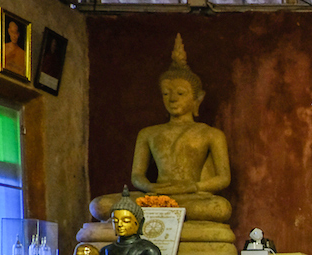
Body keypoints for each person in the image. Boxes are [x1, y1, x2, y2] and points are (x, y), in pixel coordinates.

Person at [90, 35, 232, 225]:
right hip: (155, 197)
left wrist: (193, 187)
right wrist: (150, 187)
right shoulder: (148, 133)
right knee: (100, 205)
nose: (172, 99)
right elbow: (137, 176)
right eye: (166, 93)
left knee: (219, 208)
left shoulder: (210, 134)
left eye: (180, 93)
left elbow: (223, 178)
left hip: (189, 197)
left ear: (197, 98)